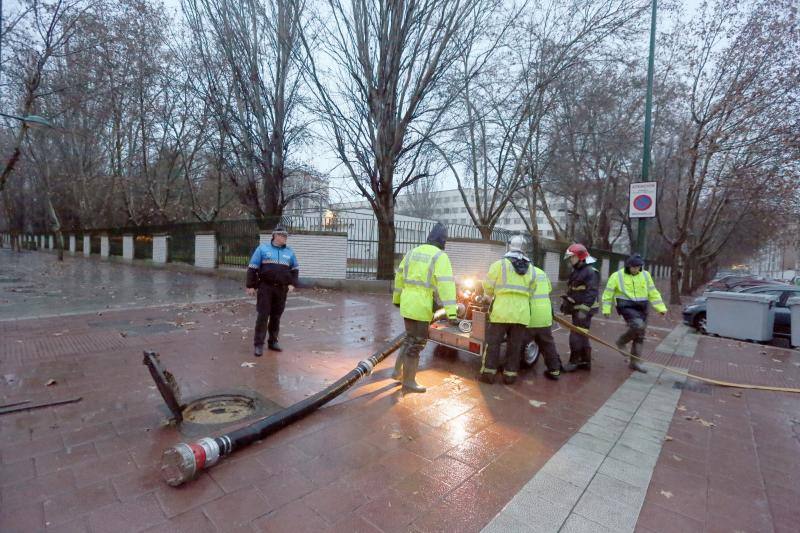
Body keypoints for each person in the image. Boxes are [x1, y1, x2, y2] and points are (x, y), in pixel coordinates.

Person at [392, 223, 458, 393]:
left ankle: (397, 372)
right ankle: (409, 382)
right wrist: (451, 312)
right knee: (417, 343)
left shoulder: (412, 252)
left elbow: (399, 276)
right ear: (443, 241)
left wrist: (397, 299)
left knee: (409, 339)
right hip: (421, 306)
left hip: (407, 303)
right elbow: (446, 286)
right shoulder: (439, 256)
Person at [479, 236, 533, 385]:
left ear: (509, 246)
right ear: (524, 248)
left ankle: (488, 375)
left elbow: (488, 286)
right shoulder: (531, 269)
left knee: (493, 344)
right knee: (514, 347)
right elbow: (532, 291)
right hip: (521, 314)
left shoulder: (498, 265)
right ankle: (510, 376)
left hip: (501, 312)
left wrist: (488, 296)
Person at [601, 253, 667, 373]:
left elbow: (653, 292)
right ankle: (621, 341)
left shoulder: (646, 275)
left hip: (642, 307)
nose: (636, 269)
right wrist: (606, 310)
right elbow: (607, 294)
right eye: (634, 267)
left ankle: (635, 362)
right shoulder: (617, 276)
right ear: (628, 266)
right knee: (638, 326)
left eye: (638, 267)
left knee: (640, 335)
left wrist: (661, 308)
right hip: (626, 306)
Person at [246, 225, 299, 356]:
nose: (285, 238)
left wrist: (292, 283)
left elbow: (295, 269)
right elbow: (252, 268)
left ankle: (273, 341)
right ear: (275, 235)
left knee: (276, 316)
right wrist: (250, 286)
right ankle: (258, 344)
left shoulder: (289, 252)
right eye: (283, 236)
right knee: (263, 316)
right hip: (265, 288)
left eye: (286, 236)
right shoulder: (262, 249)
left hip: (281, 289)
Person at [561, 244, 599, 372]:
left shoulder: (590, 272)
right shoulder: (578, 270)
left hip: (585, 310)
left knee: (576, 334)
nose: (570, 260)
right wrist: (567, 302)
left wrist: (584, 309)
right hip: (578, 308)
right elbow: (574, 289)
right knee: (582, 334)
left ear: (580, 257)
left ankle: (574, 361)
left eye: (572, 257)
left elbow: (592, 292)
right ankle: (585, 362)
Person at [527, 260, 564, 380]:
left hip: (530, 316)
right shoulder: (542, 272)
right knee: (548, 344)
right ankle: (554, 371)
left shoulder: (522, 274)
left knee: (518, 343)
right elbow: (548, 289)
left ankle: (510, 369)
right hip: (545, 315)